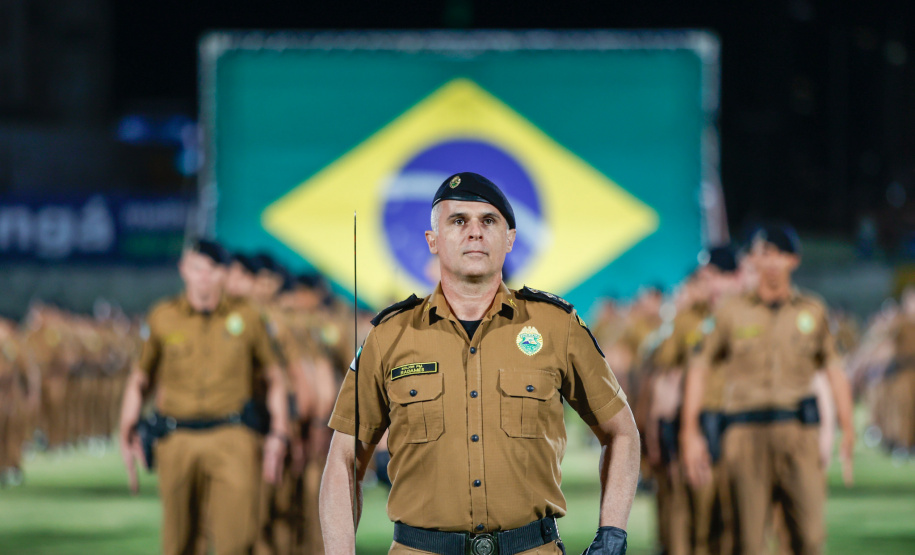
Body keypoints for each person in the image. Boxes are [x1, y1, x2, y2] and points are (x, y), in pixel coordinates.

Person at [320, 172, 640, 555]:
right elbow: (343, 459)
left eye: (488, 220)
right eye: (458, 221)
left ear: (510, 238)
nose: (474, 232)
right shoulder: (389, 336)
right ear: (432, 240)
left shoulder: (558, 326)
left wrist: (612, 534)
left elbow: (622, 433)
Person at [680, 225, 855, 555]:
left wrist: (847, 427)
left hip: (797, 432)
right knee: (747, 540)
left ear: (793, 260)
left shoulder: (812, 310)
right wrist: (689, 432)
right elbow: (699, 367)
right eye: (763, 254)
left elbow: (832, 370)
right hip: (745, 433)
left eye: (779, 254)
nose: (771, 262)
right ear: (752, 261)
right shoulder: (731, 311)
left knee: (810, 536)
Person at [119, 239, 289, 555]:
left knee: (237, 541)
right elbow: (140, 378)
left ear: (224, 274)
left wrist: (278, 434)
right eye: (196, 268)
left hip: (232, 436)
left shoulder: (248, 317)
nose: (204, 276)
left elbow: (274, 378)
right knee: (179, 543)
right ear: (183, 270)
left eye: (212, 269)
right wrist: (127, 426)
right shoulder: (163, 316)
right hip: (177, 439)